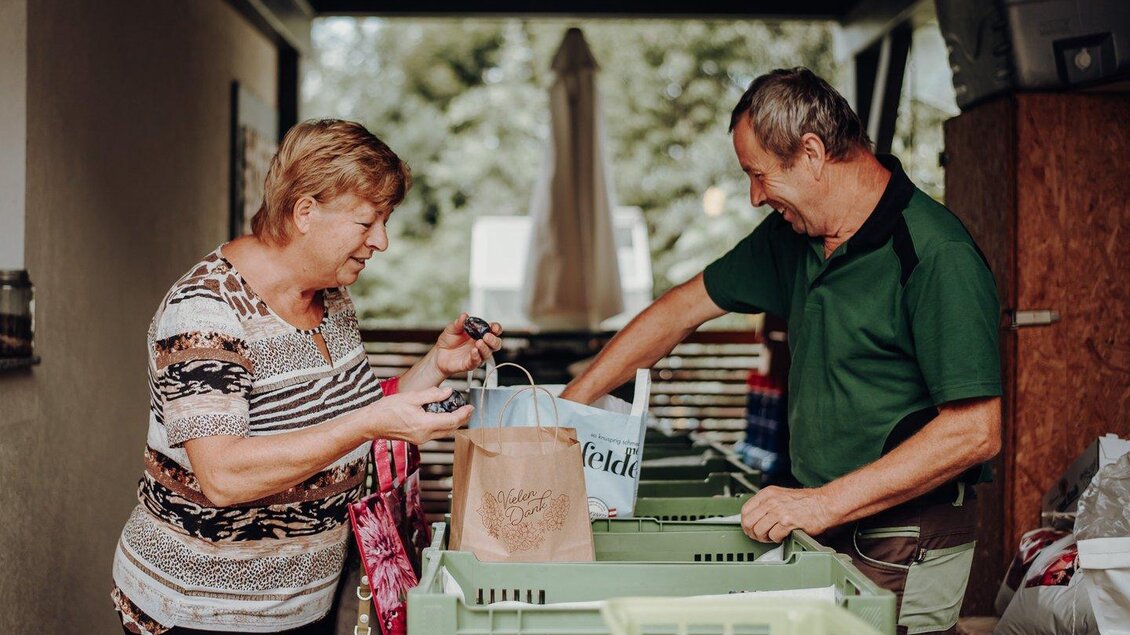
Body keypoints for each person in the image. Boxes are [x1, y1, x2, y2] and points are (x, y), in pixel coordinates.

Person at [561, 68, 1001, 635]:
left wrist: (820, 503)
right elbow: (679, 311)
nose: (753, 197)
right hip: (826, 517)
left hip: (906, 533)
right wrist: (566, 407)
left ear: (812, 154)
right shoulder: (794, 236)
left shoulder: (936, 253)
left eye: (758, 174)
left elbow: (975, 431)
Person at [110, 119, 502, 634]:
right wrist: (368, 425)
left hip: (303, 604)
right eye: (367, 223)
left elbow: (351, 411)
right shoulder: (206, 312)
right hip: (204, 612)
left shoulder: (330, 296)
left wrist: (436, 365)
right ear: (305, 213)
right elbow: (223, 476)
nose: (381, 241)